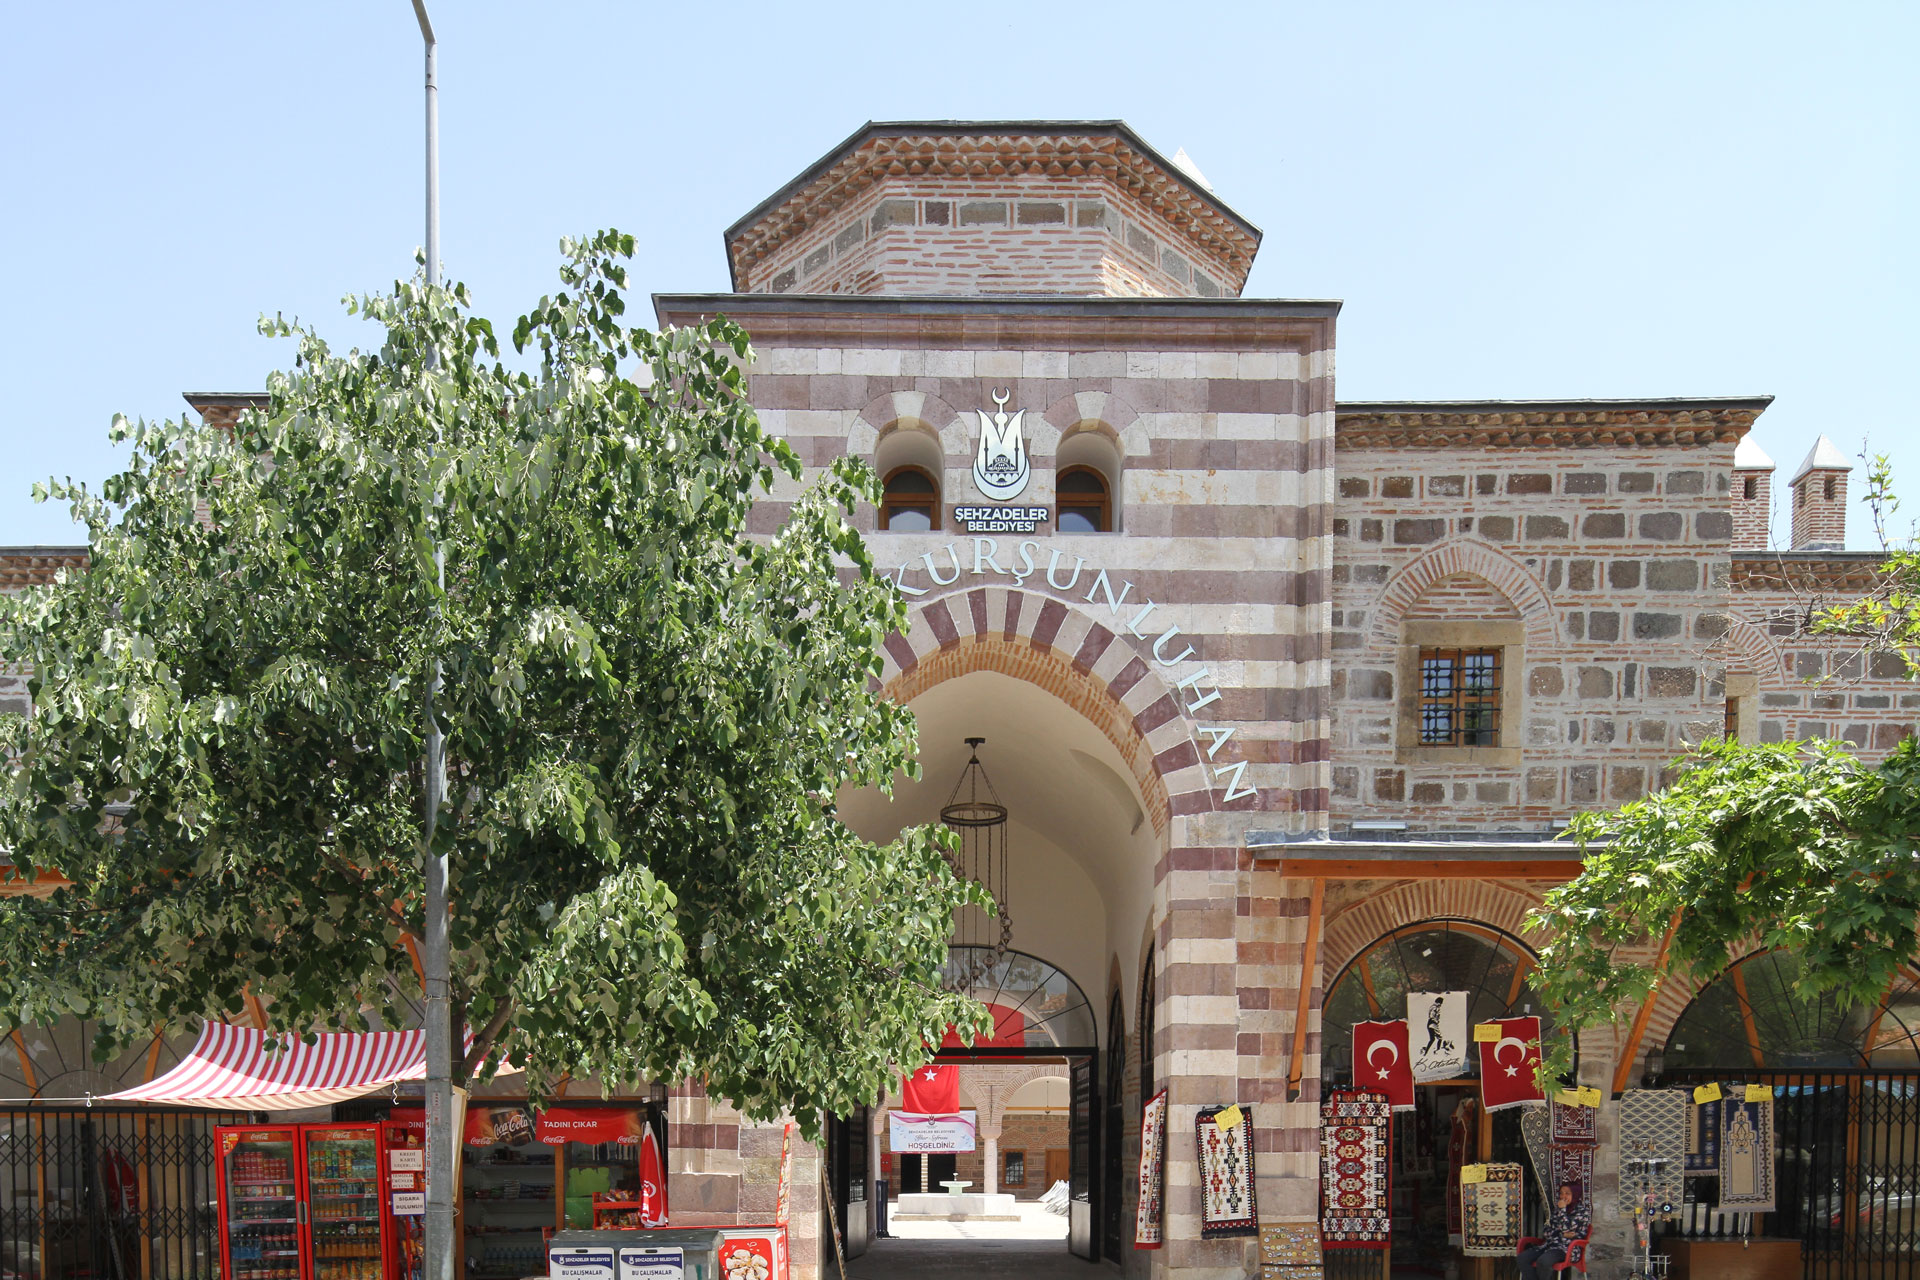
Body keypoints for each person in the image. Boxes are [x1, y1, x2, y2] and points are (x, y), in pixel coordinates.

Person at [1518, 1182, 1586, 1278]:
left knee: (1543, 1261)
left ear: (1575, 1195)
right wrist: (1561, 1234)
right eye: (1561, 1193)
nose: (1563, 1196)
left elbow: (1567, 1228)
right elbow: (1547, 1231)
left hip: (1566, 1249)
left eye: (1567, 1193)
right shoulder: (1557, 1210)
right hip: (1549, 1245)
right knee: (1523, 1258)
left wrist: (1562, 1210)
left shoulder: (1581, 1212)